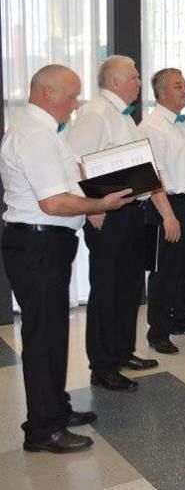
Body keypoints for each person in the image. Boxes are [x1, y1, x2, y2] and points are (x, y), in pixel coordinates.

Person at [1, 65, 135, 454]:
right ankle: (44, 429)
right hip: (39, 245)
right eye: (72, 96)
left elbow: (65, 183)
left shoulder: (42, 131)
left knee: (52, 334)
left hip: (42, 244)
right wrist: (100, 204)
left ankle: (55, 409)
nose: (76, 105)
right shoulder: (34, 135)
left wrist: (91, 201)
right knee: (44, 339)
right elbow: (54, 202)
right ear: (47, 93)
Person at [67, 55, 179, 391]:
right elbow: (73, 160)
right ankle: (102, 365)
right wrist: (92, 208)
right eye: (134, 76)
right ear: (115, 81)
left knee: (129, 287)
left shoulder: (123, 116)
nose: (140, 82)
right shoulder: (96, 113)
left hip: (131, 211)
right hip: (108, 213)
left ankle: (122, 351)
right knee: (108, 289)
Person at [139, 68, 185, 356]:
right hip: (167, 205)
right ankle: (159, 331)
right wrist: (168, 216)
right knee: (165, 271)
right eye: (178, 85)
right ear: (162, 93)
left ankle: (183, 318)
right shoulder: (152, 127)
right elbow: (153, 176)